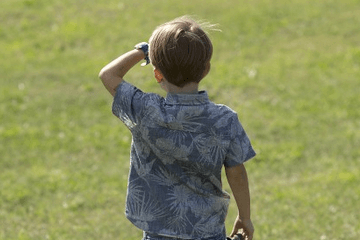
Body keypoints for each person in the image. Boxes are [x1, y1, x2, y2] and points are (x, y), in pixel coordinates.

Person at [99, 16, 256, 240]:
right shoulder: (224, 120)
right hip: (207, 231)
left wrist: (143, 51)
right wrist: (245, 216)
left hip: (157, 232)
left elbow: (108, 75)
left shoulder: (145, 111)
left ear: (157, 74)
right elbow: (237, 172)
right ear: (206, 69)